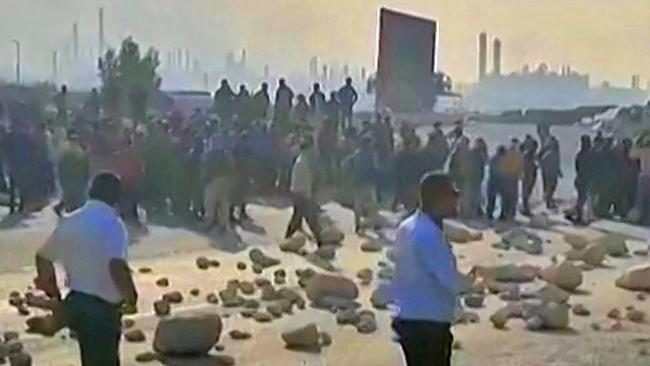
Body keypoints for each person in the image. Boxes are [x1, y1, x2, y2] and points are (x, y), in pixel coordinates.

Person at [35, 173, 138, 366]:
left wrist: (54, 293)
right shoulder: (113, 225)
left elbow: (43, 258)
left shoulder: (70, 221)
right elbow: (116, 266)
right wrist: (131, 297)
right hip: (102, 311)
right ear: (116, 197)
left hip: (75, 303)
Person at [389, 172, 470, 366]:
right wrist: (471, 282)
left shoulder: (407, 226)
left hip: (409, 316)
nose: (456, 201)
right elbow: (450, 280)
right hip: (428, 323)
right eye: (452, 196)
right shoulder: (429, 235)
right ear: (439, 199)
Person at [285, 136, 322, 245]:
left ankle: (288, 236)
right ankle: (319, 240)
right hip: (301, 194)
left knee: (298, 217)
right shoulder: (303, 163)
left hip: (297, 192)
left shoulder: (302, 160)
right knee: (310, 218)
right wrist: (309, 195)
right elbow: (305, 182)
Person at [344, 136, 378, 233]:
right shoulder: (370, 155)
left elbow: (346, 165)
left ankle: (358, 224)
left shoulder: (355, 155)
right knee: (372, 204)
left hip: (358, 183)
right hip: (368, 182)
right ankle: (372, 224)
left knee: (358, 205)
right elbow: (375, 167)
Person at [54, 130, 90, 216]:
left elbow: (85, 167)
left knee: (71, 198)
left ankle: (63, 209)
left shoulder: (72, 152)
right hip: (73, 179)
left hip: (75, 179)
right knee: (72, 198)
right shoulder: (72, 152)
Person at [566, 135, 594, 224]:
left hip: (579, 178)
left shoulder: (580, 154)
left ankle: (580, 215)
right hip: (585, 179)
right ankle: (580, 216)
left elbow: (577, 167)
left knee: (581, 198)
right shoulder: (589, 155)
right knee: (583, 199)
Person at [539, 135, 562, 209]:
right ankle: (548, 202)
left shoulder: (556, 153)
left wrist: (559, 171)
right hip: (549, 173)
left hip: (553, 173)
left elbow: (557, 163)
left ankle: (549, 200)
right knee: (550, 187)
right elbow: (542, 162)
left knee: (552, 187)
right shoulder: (549, 153)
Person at [486, 146, 507, 220]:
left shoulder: (493, 158)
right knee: (503, 199)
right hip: (502, 181)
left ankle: (489, 213)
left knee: (491, 198)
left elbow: (489, 168)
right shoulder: (505, 160)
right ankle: (502, 214)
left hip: (492, 180)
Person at [521, 136, 539, 216]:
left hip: (529, 175)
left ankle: (525, 208)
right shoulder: (527, 155)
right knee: (526, 192)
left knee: (527, 192)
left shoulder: (530, 155)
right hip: (527, 176)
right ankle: (525, 208)